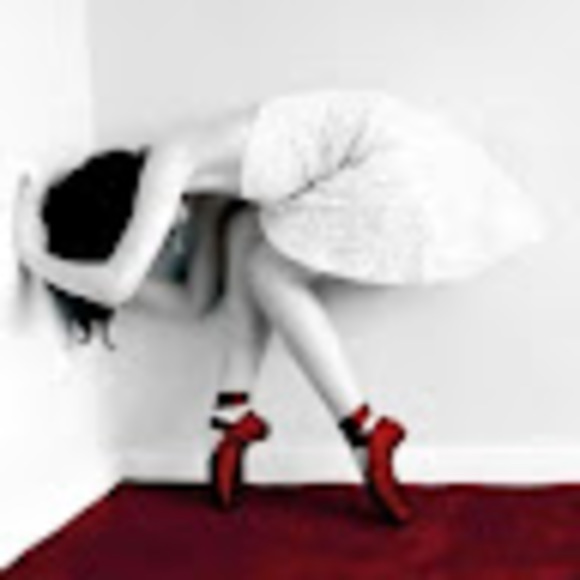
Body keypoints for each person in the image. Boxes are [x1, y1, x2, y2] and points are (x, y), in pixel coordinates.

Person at [12, 89, 547, 525]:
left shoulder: (170, 161)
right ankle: (233, 416)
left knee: (268, 270)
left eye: (143, 234)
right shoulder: (215, 191)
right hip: (374, 160)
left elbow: (116, 282)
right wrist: (94, 285)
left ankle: (365, 430)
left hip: (386, 159)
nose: (164, 244)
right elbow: (195, 302)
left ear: (129, 208)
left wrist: (36, 257)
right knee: (249, 239)